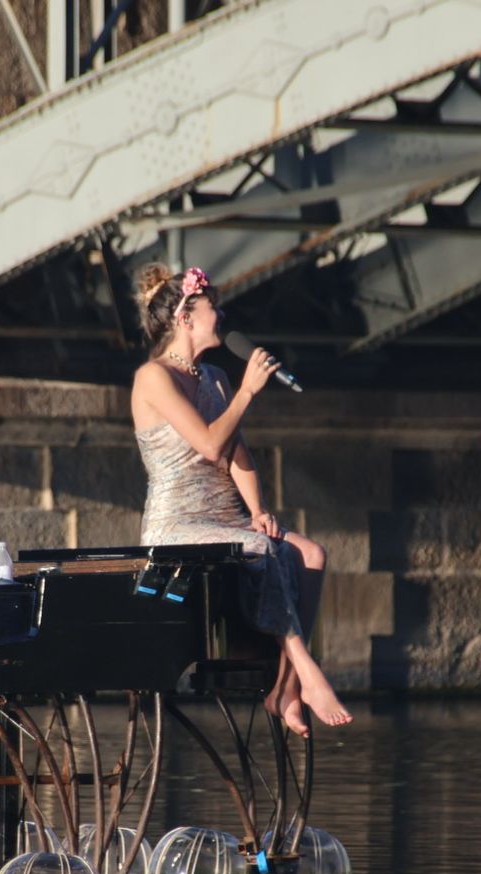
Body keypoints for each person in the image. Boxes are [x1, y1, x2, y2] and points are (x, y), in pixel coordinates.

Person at [129, 264, 353, 738]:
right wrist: (249, 390)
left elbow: (237, 455)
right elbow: (210, 445)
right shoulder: (153, 377)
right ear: (185, 318)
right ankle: (307, 671)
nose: (222, 315)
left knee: (310, 554)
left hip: (227, 517)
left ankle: (285, 690)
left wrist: (258, 510)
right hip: (178, 523)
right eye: (213, 307)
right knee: (262, 549)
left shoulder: (214, 377)